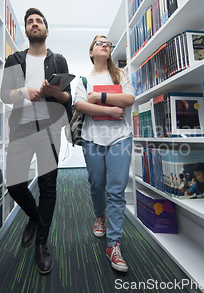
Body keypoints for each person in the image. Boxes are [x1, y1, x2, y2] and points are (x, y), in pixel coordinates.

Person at [0, 7, 72, 275]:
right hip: (20, 129)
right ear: (26, 30)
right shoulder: (14, 60)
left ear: (46, 30)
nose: (34, 24)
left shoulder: (58, 61)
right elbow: (5, 94)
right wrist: (23, 91)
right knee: (15, 184)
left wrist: (57, 92)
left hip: (50, 131)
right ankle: (34, 216)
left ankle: (41, 244)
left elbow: (68, 100)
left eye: (38, 21)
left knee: (48, 188)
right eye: (30, 21)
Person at [74, 35, 135, 272]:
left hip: (121, 138)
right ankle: (99, 215)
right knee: (97, 184)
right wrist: (110, 111)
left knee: (116, 190)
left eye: (108, 43)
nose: (105, 45)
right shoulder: (84, 80)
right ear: (91, 52)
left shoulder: (121, 75)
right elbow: (80, 105)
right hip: (92, 139)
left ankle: (114, 244)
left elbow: (128, 99)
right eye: (99, 43)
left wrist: (99, 97)